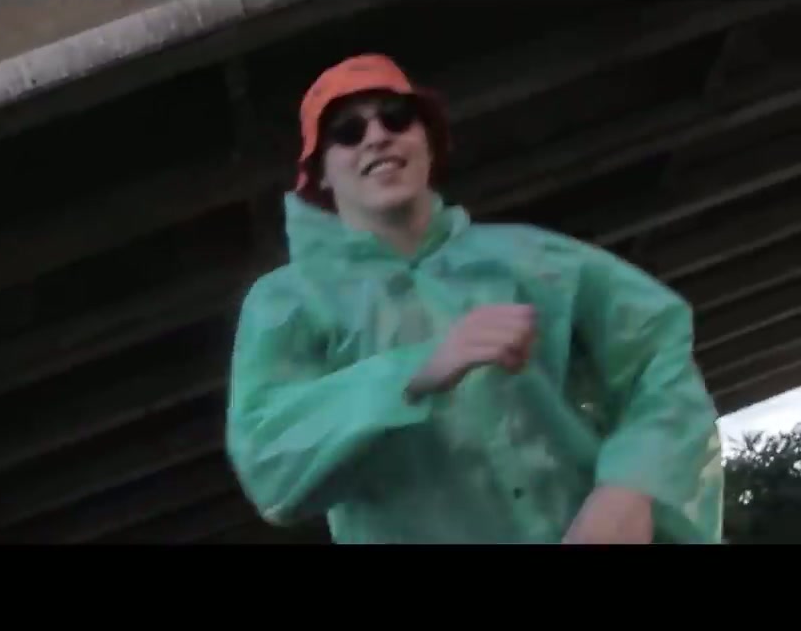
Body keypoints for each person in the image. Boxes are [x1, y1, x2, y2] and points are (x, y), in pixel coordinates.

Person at [224, 53, 724, 544]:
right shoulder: (286, 302)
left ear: (429, 141)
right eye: (347, 131)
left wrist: (629, 487)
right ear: (320, 174)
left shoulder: (535, 258)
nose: (376, 136)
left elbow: (659, 357)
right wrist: (416, 371)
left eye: (397, 117)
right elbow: (268, 462)